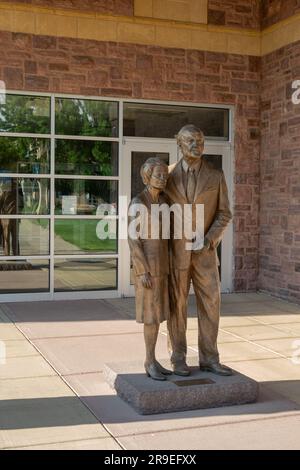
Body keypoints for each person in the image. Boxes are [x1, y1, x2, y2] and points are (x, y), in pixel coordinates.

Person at [165, 124, 233, 376]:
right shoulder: (167, 175)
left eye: (201, 140)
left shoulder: (216, 176)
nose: (197, 145)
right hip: (176, 253)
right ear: (179, 143)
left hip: (205, 253)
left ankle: (209, 358)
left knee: (211, 304)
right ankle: (178, 357)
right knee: (177, 305)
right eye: (191, 140)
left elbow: (225, 213)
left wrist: (210, 240)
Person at [128, 157, 172, 381]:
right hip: (147, 270)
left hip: (163, 267)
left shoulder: (164, 201)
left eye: (165, 175)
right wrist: (142, 270)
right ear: (147, 177)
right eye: (158, 175)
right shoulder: (139, 202)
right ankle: (149, 360)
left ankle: (154, 360)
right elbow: (133, 239)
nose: (163, 179)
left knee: (159, 317)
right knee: (150, 318)